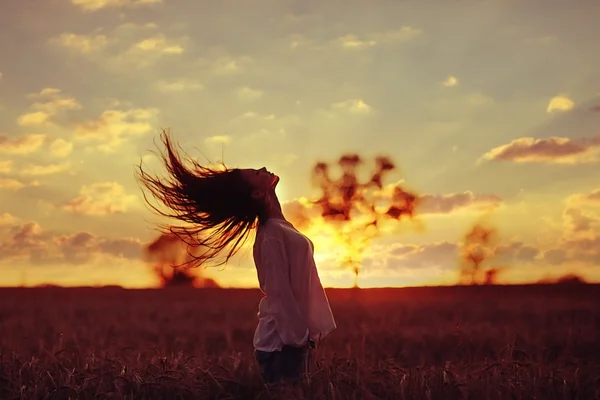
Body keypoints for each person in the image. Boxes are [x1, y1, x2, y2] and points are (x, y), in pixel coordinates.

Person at [136, 131, 337, 384]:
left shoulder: (280, 227)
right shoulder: (272, 233)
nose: (263, 168)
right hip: (282, 346)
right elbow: (278, 291)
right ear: (256, 194)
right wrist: (297, 339)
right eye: (256, 173)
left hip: (291, 340)